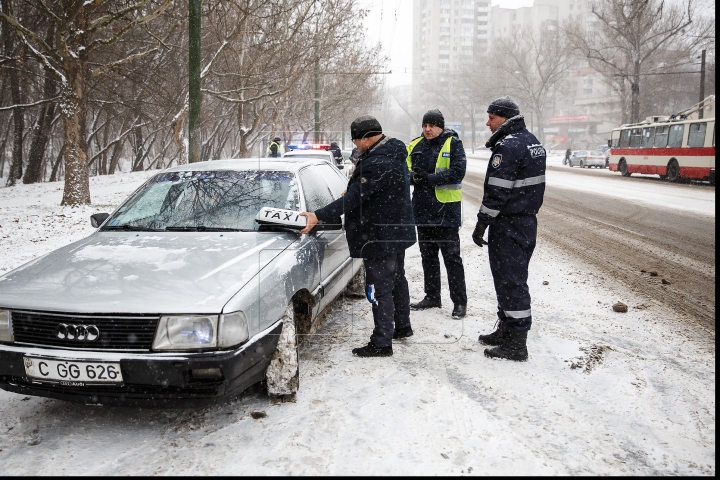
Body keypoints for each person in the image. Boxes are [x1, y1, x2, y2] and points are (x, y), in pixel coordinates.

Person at [300, 115, 416, 357]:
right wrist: (356, 189)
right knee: (397, 279)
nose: (355, 146)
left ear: (365, 138)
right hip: (396, 229)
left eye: (356, 141)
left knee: (378, 288)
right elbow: (376, 190)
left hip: (378, 233)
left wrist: (317, 216)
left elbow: (354, 200)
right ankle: (402, 326)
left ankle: (382, 342)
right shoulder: (394, 153)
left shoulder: (376, 162)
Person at [472, 96, 546, 362]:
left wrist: (482, 222)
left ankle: (516, 342)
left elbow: (498, 191)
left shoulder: (509, 147)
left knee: (511, 281)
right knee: (510, 279)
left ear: (504, 118)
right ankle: (506, 329)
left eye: (491, 118)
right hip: (525, 222)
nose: (488, 123)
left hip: (509, 223)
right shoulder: (532, 142)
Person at [406, 109, 467, 319]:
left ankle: (459, 302)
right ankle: (432, 295)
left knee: (452, 259)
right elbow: (404, 171)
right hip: (422, 211)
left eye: (431, 125)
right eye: (425, 125)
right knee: (428, 257)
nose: (427, 129)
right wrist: (414, 178)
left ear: (440, 126)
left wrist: (429, 179)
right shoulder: (415, 145)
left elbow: (458, 172)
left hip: (445, 212)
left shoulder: (453, 144)